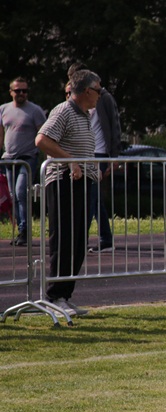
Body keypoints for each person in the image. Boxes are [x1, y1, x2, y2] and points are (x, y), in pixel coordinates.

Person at [35, 69, 102, 318]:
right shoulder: (63, 110)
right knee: (64, 239)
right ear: (86, 91)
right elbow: (42, 140)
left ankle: (65, 296)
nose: (100, 95)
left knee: (78, 241)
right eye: (98, 90)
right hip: (64, 181)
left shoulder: (85, 115)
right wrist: (70, 160)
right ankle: (54, 296)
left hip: (82, 182)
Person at [67, 63, 121, 254]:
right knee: (93, 198)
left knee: (91, 197)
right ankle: (103, 238)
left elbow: (115, 126)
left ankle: (87, 239)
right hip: (84, 152)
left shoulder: (103, 97)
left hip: (99, 153)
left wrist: (114, 157)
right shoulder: (73, 100)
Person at [1, 77, 46, 247]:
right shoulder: (3, 109)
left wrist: (45, 157)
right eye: (18, 90)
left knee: (21, 192)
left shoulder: (35, 111)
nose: (21, 94)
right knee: (12, 195)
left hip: (27, 157)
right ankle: (21, 230)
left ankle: (25, 229)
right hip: (9, 158)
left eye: (24, 91)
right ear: (11, 92)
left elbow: (43, 134)